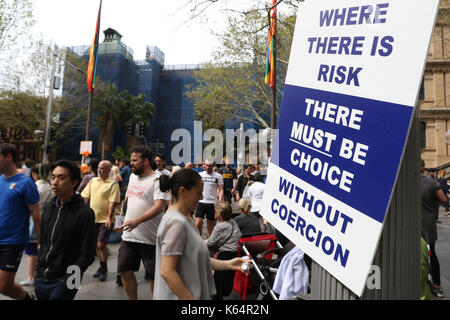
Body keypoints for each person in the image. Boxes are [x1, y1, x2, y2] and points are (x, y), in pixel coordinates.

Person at [153, 168, 249, 300]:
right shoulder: (176, 223)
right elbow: (167, 271)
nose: (202, 197)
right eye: (198, 193)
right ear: (183, 191)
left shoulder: (185, 218)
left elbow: (196, 258)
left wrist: (229, 264)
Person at [34, 159, 96, 300]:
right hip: (42, 278)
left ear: (74, 183)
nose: (55, 182)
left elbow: (88, 253)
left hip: (65, 280)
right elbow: (43, 241)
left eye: (62, 178)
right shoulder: (49, 207)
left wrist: (71, 278)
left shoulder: (84, 213)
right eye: (53, 177)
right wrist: (38, 272)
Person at [118, 146, 169, 300]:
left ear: (146, 161)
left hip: (151, 238)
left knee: (154, 276)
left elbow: (160, 206)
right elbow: (129, 199)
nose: (131, 163)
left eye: (134, 160)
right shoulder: (133, 177)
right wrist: (121, 218)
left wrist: (137, 220)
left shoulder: (157, 179)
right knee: (125, 271)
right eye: (131, 160)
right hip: (129, 236)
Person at [0, 143, 40, 300]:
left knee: (4, 286)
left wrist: (40, 240)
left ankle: (28, 298)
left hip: (12, 241)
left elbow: (36, 215)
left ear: (8, 157)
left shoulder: (26, 182)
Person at [81, 160, 121, 282]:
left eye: (102, 168)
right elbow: (85, 197)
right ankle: (102, 267)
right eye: (98, 167)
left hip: (105, 220)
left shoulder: (113, 184)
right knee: (97, 246)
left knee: (100, 244)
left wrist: (109, 217)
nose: (99, 170)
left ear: (109, 170)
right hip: (92, 219)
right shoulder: (92, 181)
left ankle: (103, 269)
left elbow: (112, 202)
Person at [20, 164, 52, 287]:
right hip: (45, 219)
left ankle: (31, 277)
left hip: (33, 219)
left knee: (31, 250)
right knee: (39, 249)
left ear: (36, 173)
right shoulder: (49, 187)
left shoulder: (35, 186)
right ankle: (38, 275)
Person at [420, 159, 447, 298]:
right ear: (423, 167)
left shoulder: (406, 182)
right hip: (428, 223)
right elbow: (444, 199)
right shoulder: (431, 182)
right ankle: (436, 285)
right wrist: (432, 201)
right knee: (431, 253)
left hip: (411, 223)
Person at [205, 202, 241, 300]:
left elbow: (210, 243)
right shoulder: (233, 222)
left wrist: (200, 242)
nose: (214, 213)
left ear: (220, 214)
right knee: (226, 283)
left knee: (218, 286)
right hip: (233, 254)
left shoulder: (220, 226)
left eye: (215, 211)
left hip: (222, 256)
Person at [195, 159, 224, 237]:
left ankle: (208, 243)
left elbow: (221, 189)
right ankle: (199, 240)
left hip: (212, 203)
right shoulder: (200, 175)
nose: (208, 167)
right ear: (204, 165)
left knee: (210, 227)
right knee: (197, 223)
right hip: (201, 202)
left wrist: (220, 202)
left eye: (210, 166)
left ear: (213, 165)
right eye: (206, 165)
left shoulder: (218, 176)